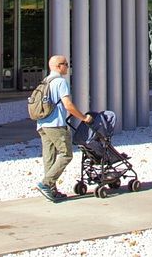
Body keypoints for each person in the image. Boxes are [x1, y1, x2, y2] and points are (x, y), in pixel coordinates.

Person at [34, 55, 93, 203]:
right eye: (65, 64)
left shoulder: (45, 81)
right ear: (58, 66)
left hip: (42, 124)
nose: (67, 66)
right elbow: (68, 105)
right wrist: (83, 118)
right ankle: (46, 184)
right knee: (66, 154)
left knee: (50, 158)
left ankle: (52, 190)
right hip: (55, 124)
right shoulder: (60, 82)